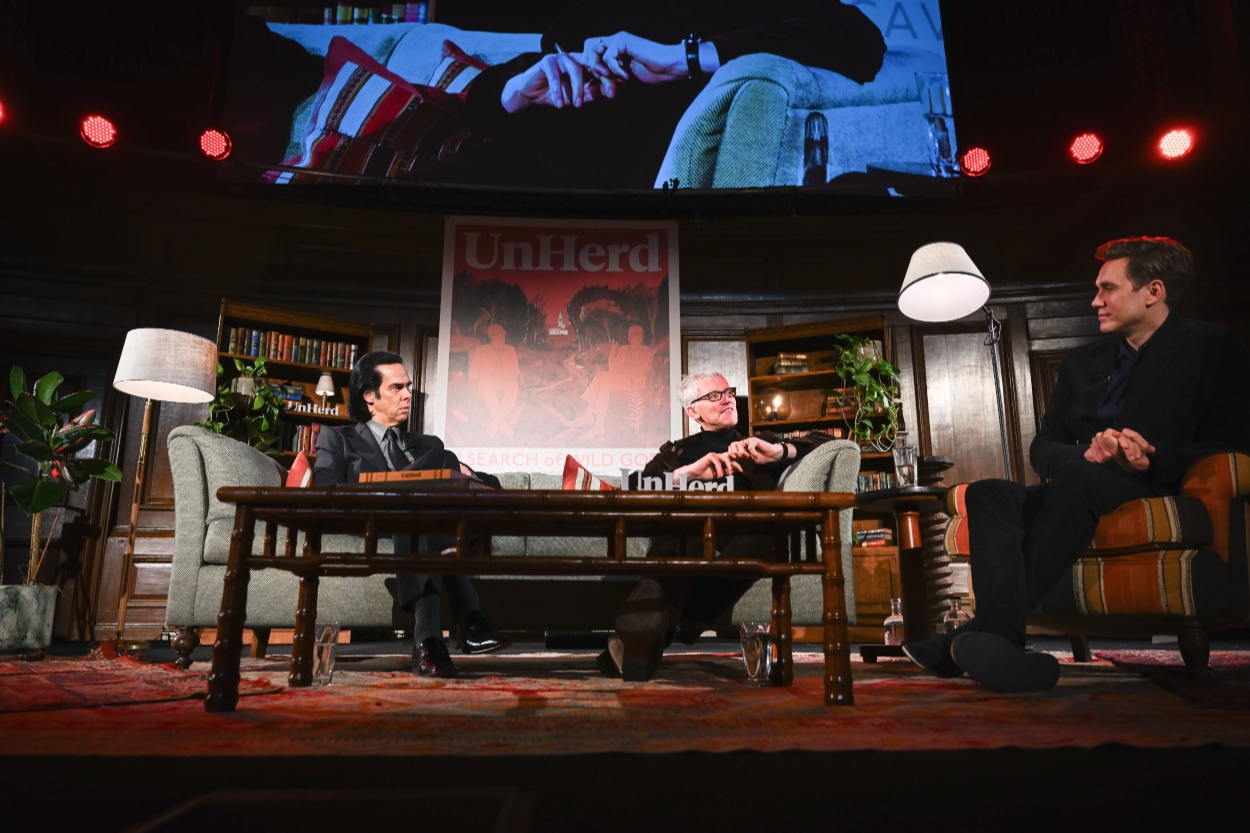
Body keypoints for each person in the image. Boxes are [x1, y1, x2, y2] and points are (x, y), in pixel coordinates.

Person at [903, 237, 1250, 693]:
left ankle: (979, 637)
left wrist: (1150, 456)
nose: (1096, 301)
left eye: (1108, 289)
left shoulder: (1212, 346)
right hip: (1079, 481)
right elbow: (1043, 445)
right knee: (989, 492)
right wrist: (1087, 452)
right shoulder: (1083, 361)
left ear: (1153, 291)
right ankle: (999, 641)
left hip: (1154, 484)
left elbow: (1233, 438)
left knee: (1077, 483)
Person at [447, 0, 887, 189]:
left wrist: (683, 59)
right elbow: (487, 96)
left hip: (639, 192)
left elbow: (858, 39)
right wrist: (517, 92)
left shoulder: (732, 11)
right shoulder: (585, 13)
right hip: (529, 175)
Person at [599, 371, 833, 681]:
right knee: (682, 526)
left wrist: (780, 452)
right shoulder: (672, 455)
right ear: (692, 411)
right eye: (714, 395)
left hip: (740, 534)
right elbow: (633, 490)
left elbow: (827, 442)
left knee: (767, 531)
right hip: (685, 534)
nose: (727, 398)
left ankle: (652, 633)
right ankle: (649, 635)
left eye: (728, 392)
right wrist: (687, 476)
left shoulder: (760, 443)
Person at [313, 351, 511, 677]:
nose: (408, 395)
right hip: (378, 521)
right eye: (396, 388)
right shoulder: (339, 439)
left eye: (408, 387)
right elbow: (327, 492)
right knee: (416, 498)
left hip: (429, 522)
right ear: (369, 397)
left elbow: (492, 486)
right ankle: (468, 617)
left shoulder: (429, 446)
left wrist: (459, 471)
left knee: (430, 489)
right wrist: (391, 487)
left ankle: (428, 641)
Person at [569, 324, 655, 439]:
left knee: (600, 376)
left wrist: (648, 365)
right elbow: (614, 370)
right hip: (621, 379)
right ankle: (599, 426)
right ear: (629, 337)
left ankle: (588, 416)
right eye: (636, 334)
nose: (639, 337)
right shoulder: (623, 349)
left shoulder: (646, 351)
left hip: (634, 382)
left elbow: (648, 368)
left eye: (641, 334)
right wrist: (613, 355)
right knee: (604, 384)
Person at [468, 323, 521, 439]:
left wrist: (510, 376)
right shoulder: (481, 351)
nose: (502, 337)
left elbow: (516, 370)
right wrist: (482, 375)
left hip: (505, 381)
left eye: (503, 334)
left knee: (513, 384)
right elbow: (473, 373)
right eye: (499, 335)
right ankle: (502, 423)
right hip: (488, 382)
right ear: (492, 336)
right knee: (486, 384)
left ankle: (495, 424)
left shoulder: (510, 350)